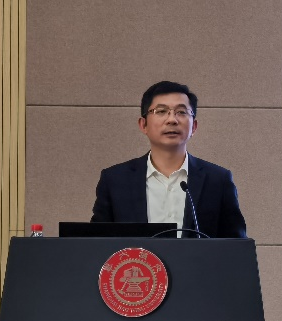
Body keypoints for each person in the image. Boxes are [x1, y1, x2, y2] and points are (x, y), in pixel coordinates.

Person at [90, 81, 247, 239]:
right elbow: (96, 243)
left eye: (181, 112)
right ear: (143, 125)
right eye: (161, 111)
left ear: (194, 126)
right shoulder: (115, 180)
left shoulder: (218, 180)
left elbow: (237, 245)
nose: (172, 119)